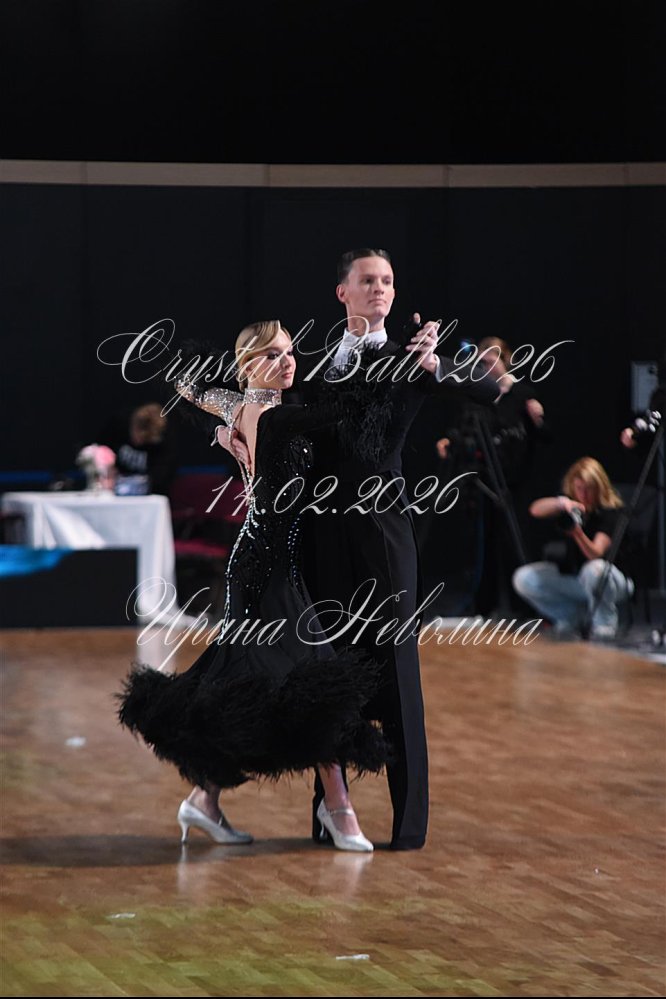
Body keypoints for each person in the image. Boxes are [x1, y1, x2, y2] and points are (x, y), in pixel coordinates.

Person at [118, 320, 390, 852]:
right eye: (273, 355)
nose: (288, 362)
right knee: (313, 675)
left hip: (262, 562)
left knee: (250, 681)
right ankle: (338, 807)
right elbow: (344, 409)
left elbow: (185, 381)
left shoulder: (239, 406)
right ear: (247, 365)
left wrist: (228, 430)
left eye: (289, 352)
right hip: (264, 567)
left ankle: (205, 798)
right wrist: (387, 365)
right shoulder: (277, 416)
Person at [302, 248, 500, 851]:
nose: (380, 289)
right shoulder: (319, 363)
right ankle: (330, 812)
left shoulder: (411, 357)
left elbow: (491, 388)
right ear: (343, 292)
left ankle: (408, 824)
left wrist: (436, 364)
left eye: (387, 281)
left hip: (383, 531)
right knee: (330, 668)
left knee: (396, 667)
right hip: (323, 530)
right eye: (367, 280)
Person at [435, 336, 550, 617]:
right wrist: (450, 441)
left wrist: (538, 419)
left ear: (505, 360)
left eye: (491, 361)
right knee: (483, 545)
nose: (486, 367)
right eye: (482, 363)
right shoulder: (478, 396)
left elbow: (544, 435)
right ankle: (484, 606)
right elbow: (465, 429)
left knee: (514, 542)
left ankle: (523, 607)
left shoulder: (522, 394)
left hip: (515, 482)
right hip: (484, 481)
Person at [512, 457, 634, 640]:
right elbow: (535, 510)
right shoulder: (572, 507)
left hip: (612, 580)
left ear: (599, 487)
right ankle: (570, 617)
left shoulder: (611, 512)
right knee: (524, 578)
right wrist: (561, 503)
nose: (583, 494)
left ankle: (604, 625)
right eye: (579, 488)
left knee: (594, 570)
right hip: (577, 577)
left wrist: (577, 533)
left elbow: (595, 554)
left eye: (588, 489)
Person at [98, 402, 178, 495]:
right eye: (138, 435)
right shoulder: (119, 424)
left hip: (147, 494)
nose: (140, 441)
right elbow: (99, 449)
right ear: (133, 424)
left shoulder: (164, 443)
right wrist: (107, 471)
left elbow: (163, 476)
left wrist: (145, 483)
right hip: (111, 488)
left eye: (146, 439)